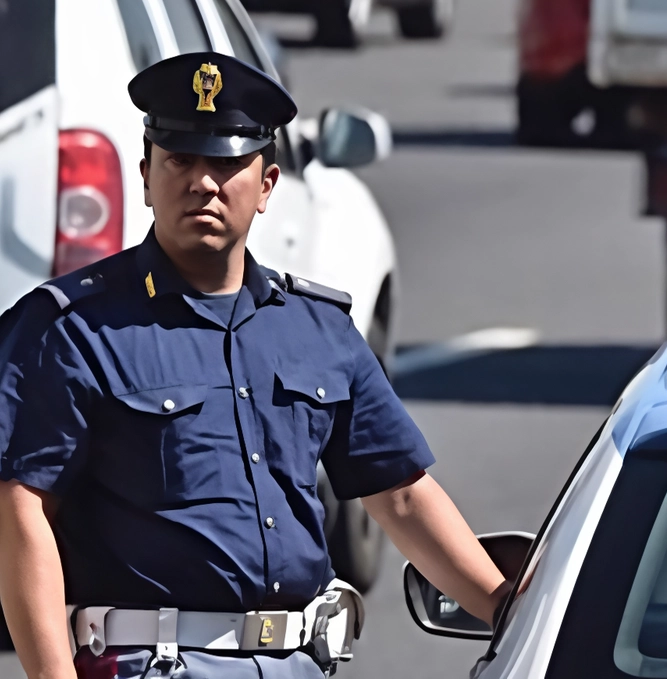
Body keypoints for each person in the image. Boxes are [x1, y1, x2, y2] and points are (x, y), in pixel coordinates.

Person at [0, 52, 511, 679]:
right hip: (150, 664)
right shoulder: (71, 328)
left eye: (226, 163)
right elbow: (23, 510)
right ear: (145, 176)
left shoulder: (317, 329)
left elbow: (400, 496)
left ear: (267, 185)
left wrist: (507, 611)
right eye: (180, 160)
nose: (202, 182)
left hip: (299, 663)